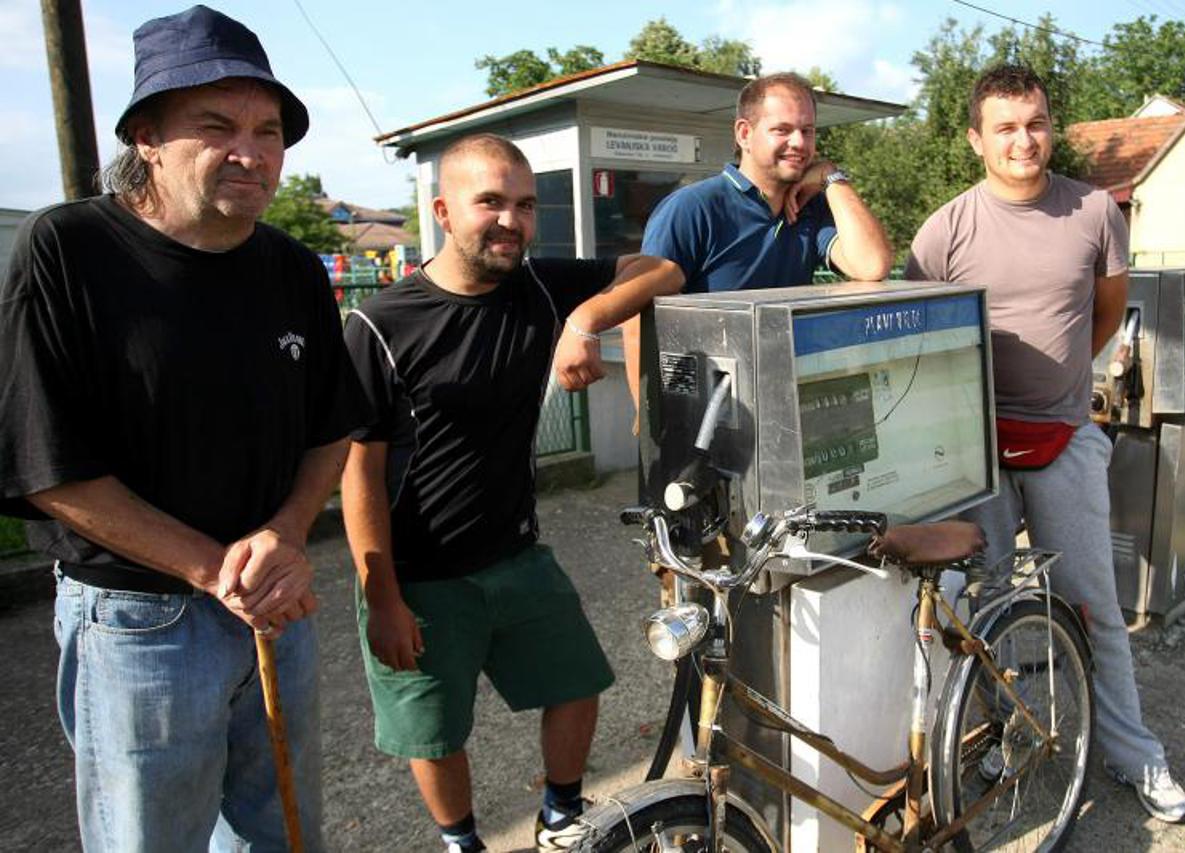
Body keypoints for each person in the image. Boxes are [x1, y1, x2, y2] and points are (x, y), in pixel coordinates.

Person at [0, 6, 368, 849]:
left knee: (282, 834)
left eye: (268, 129)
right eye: (216, 125)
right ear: (148, 137)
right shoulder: (70, 249)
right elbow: (45, 463)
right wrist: (215, 570)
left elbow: (333, 427)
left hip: (277, 604)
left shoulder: (289, 266)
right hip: (141, 625)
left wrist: (281, 533)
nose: (252, 151)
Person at [340, 133, 682, 853]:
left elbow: (663, 270)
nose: (510, 221)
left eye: (525, 205)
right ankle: (461, 839)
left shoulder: (536, 285)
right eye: (489, 201)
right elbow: (357, 470)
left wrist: (585, 317)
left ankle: (560, 814)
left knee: (577, 682)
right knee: (433, 731)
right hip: (420, 574)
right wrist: (382, 596)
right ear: (442, 210)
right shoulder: (379, 323)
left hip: (517, 554)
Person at [904, 63, 1185, 824]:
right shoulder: (944, 229)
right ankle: (1016, 734)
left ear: (1049, 127)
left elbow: (1103, 315)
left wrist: (1062, 390)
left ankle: (1134, 751)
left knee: (1093, 605)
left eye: (1033, 123)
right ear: (975, 139)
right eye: (1003, 127)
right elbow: (918, 339)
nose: (1021, 140)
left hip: (1065, 438)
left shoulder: (1096, 210)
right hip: (977, 454)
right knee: (996, 607)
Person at [622, 71, 893, 403]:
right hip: (708, 414)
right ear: (744, 134)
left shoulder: (812, 209)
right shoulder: (693, 208)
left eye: (807, 131)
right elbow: (637, 317)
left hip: (788, 403)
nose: (799, 143)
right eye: (782, 129)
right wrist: (646, 420)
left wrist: (830, 176)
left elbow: (873, 264)